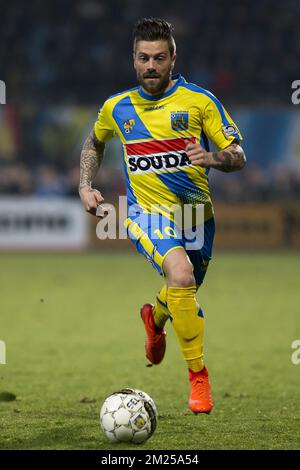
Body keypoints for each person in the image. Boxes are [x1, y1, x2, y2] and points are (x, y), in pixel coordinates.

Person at [79, 18, 246, 414]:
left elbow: (238, 155)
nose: (150, 65)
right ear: (133, 60)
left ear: (173, 58)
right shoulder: (117, 107)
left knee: (182, 289)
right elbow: (93, 142)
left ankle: (154, 319)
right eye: (143, 58)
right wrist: (85, 184)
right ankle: (199, 378)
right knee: (182, 275)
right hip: (145, 213)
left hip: (196, 218)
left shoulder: (199, 101)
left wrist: (214, 158)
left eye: (158, 58)